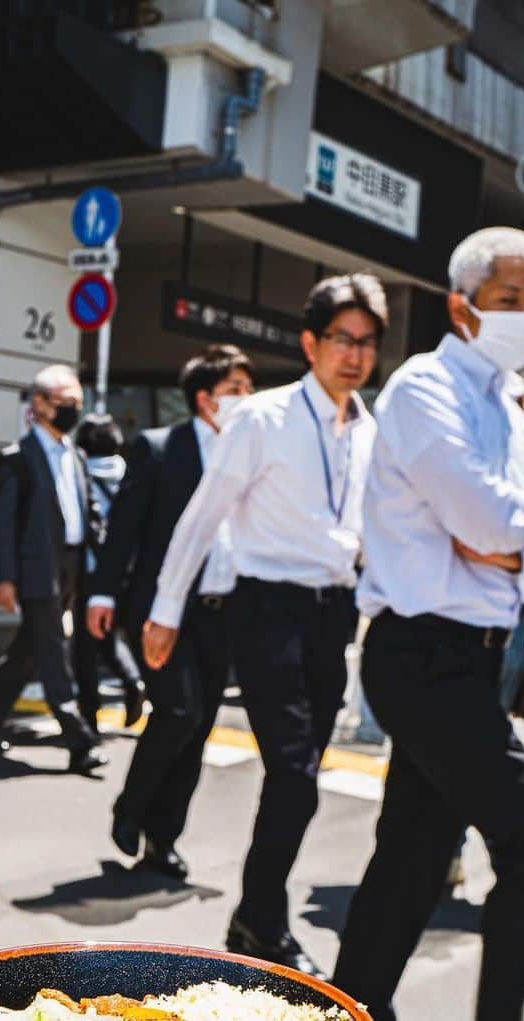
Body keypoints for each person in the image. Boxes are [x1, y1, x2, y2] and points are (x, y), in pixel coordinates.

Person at [330, 227, 524, 1021]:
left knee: (407, 864)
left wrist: (520, 537)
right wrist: (520, 533)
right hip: (421, 655)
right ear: (462, 304)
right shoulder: (424, 391)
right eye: (512, 297)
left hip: (478, 657)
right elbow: (489, 520)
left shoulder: (508, 404)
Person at [144, 277, 384, 968]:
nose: (355, 354)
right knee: (296, 771)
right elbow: (203, 514)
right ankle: (263, 919)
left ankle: (255, 916)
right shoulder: (262, 417)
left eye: (367, 342)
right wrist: (166, 608)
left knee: (301, 773)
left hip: (332, 613)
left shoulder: (370, 431)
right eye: (342, 338)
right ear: (310, 343)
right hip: (266, 606)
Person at [87, 346, 255, 880]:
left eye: (249, 389)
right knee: (178, 712)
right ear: (205, 399)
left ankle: (164, 839)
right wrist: (102, 594)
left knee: (199, 726)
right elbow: (125, 529)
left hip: (223, 613)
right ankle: (131, 807)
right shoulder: (160, 449)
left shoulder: (251, 452)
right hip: (163, 610)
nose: (246, 399)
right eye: (236, 390)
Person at [0, 364, 105, 775]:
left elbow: (86, 512)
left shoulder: (74, 455)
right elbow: (4, 526)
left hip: (71, 564)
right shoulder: (18, 459)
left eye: (78, 402)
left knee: (29, 648)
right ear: (38, 405)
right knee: (53, 649)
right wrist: (4, 577)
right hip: (36, 567)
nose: (73, 409)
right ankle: (79, 740)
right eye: (65, 402)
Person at [74, 412, 146, 732]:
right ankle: (132, 682)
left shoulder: (79, 476)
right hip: (126, 572)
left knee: (84, 647)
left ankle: (89, 715)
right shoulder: (133, 475)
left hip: (91, 571)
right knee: (110, 634)